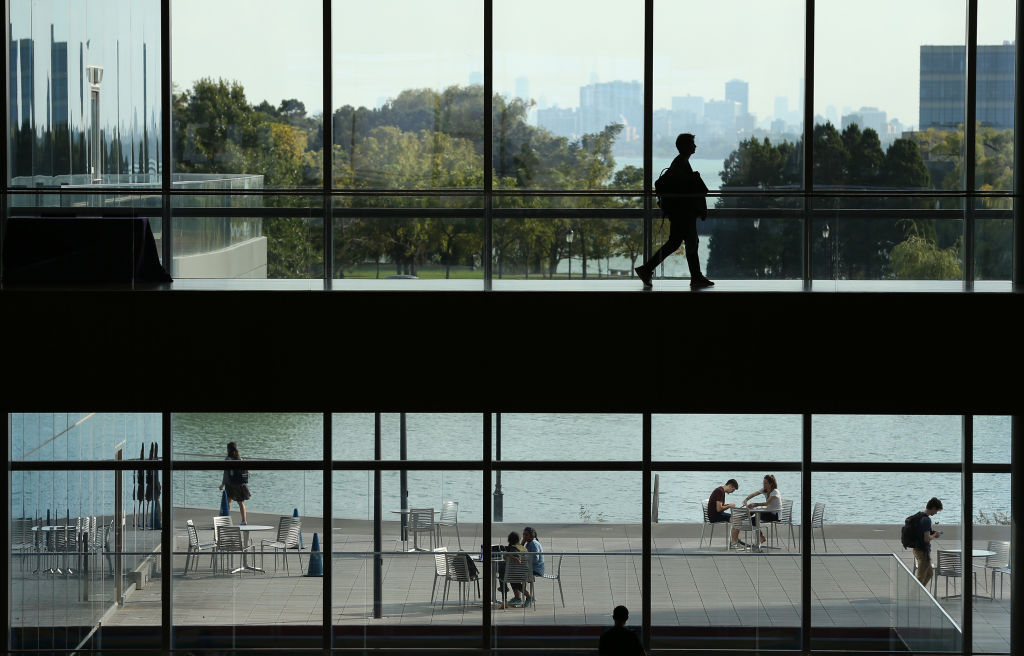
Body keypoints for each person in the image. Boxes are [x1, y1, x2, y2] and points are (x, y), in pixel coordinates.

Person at [634, 133, 713, 289]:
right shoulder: (680, 163)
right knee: (686, 242)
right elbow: (682, 186)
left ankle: (648, 269)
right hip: (683, 212)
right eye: (692, 143)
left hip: (680, 212)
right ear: (684, 146)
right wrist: (694, 178)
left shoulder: (680, 162)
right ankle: (694, 276)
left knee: (681, 242)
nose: (695, 146)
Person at [911, 497, 943, 588]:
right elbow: (926, 539)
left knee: (929, 574)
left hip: (917, 548)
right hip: (923, 551)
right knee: (921, 577)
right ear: (933, 508)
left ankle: (920, 592)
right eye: (936, 510)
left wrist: (931, 533)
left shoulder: (919, 516)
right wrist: (935, 535)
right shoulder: (926, 520)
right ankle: (914, 595)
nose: (936, 513)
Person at [741, 474, 781, 546]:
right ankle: (740, 520)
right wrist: (746, 500)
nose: (764, 485)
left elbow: (767, 503)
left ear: (771, 484)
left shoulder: (775, 492)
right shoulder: (764, 490)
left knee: (753, 519)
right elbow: (754, 494)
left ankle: (739, 520)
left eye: (765, 483)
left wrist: (755, 504)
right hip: (768, 513)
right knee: (752, 515)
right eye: (763, 483)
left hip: (775, 516)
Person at [219, 441, 250, 524]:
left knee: (228, 501)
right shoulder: (240, 459)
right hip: (240, 484)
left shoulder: (228, 459)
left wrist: (222, 484)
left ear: (228, 450)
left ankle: (226, 520)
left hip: (230, 483)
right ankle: (244, 520)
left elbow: (226, 474)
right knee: (240, 502)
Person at [499, 531, 529, 607]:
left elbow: (518, 560)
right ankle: (518, 597)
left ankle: (504, 597)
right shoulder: (521, 547)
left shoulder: (514, 548)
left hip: (519, 573)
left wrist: (508, 555)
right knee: (507, 576)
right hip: (525, 572)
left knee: (502, 576)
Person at [522, 526, 544, 607]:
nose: (524, 537)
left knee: (514, 575)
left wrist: (525, 561)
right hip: (532, 568)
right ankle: (526, 596)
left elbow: (535, 558)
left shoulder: (533, 544)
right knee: (514, 574)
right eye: (523, 535)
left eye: (526, 535)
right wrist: (522, 543)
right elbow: (520, 553)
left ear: (531, 535)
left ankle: (528, 597)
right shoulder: (529, 543)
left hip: (536, 569)